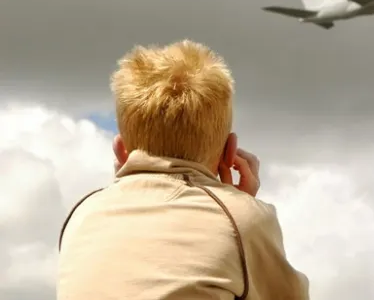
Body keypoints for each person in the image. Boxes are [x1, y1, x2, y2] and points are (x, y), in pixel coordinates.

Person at [57, 40, 309, 300]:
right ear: (230, 152)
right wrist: (241, 205)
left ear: (121, 150)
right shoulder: (241, 218)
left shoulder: (81, 213)